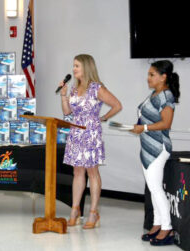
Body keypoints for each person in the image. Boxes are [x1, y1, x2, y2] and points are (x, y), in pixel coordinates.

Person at [58, 54, 122, 229]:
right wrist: (63, 96)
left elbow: (117, 105)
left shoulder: (97, 88)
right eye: (73, 66)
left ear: (86, 67)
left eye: (77, 66)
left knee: (92, 172)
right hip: (75, 132)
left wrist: (103, 118)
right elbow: (67, 113)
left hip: (90, 133)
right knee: (77, 172)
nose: (74, 69)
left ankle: (93, 213)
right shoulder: (72, 89)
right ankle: (75, 210)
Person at [130, 60, 180, 246]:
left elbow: (166, 124)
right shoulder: (154, 94)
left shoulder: (166, 96)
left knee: (157, 189)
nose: (148, 78)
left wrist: (143, 127)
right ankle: (157, 224)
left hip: (159, 147)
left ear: (163, 77)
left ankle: (167, 228)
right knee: (153, 188)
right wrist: (139, 127)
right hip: (147, 147)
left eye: (152, 74)